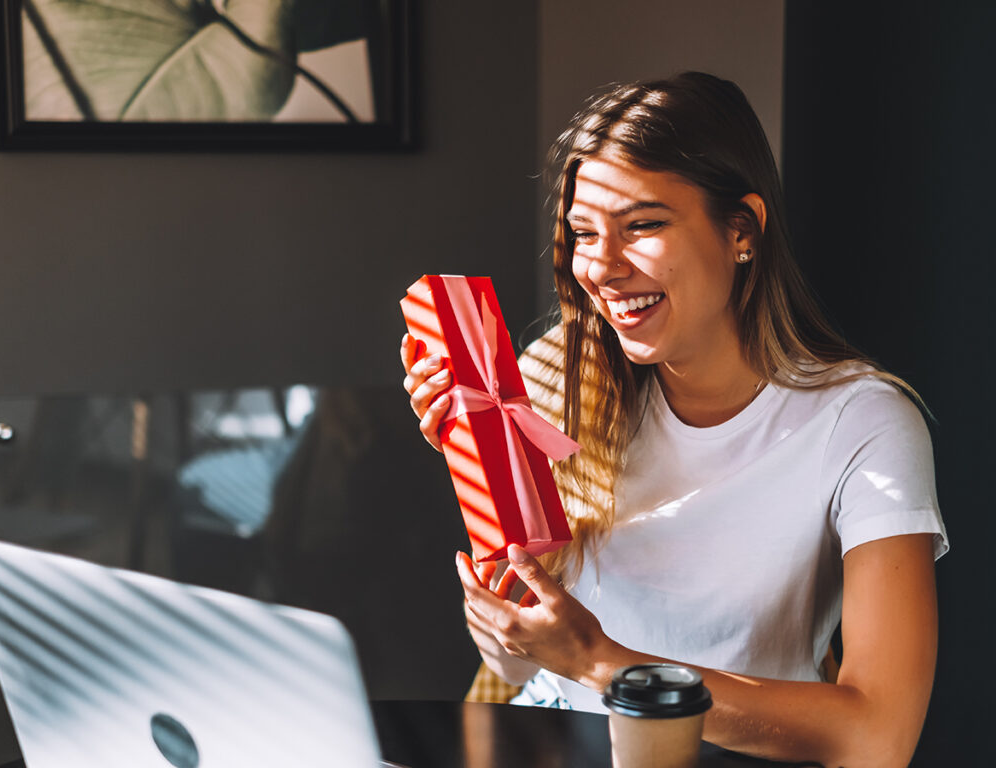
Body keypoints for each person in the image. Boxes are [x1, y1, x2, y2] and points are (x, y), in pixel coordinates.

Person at [400, 72, 947, 768]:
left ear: (741, 229)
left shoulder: (863, 424)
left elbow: (877, 735)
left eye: (644, 225)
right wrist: (478, 462)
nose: (602, 267)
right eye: (582, 233)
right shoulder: (559, 378)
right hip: (550, 739)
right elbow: (511, 668)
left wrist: (602, 663)